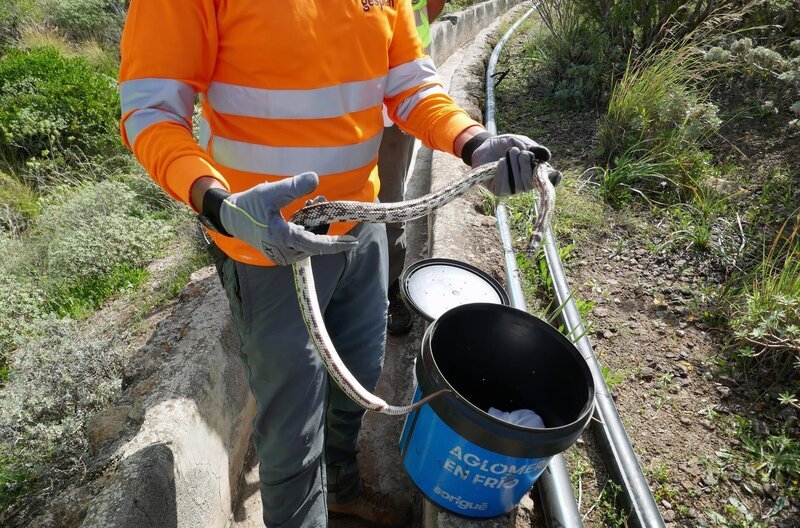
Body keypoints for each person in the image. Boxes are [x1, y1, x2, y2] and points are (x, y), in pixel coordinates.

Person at [118, 1, 553, 527]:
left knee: (359, 377)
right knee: (292, 429)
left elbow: (410, 86)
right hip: (267, 249)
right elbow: (151, 111)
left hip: (358, 223)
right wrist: (218, 204)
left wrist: (474, 141)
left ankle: (341, 488)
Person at [378, 0, 446, 335]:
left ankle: (388, 289)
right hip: (338, 102)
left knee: (389, 200)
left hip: (395, 100)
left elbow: (429, 9)